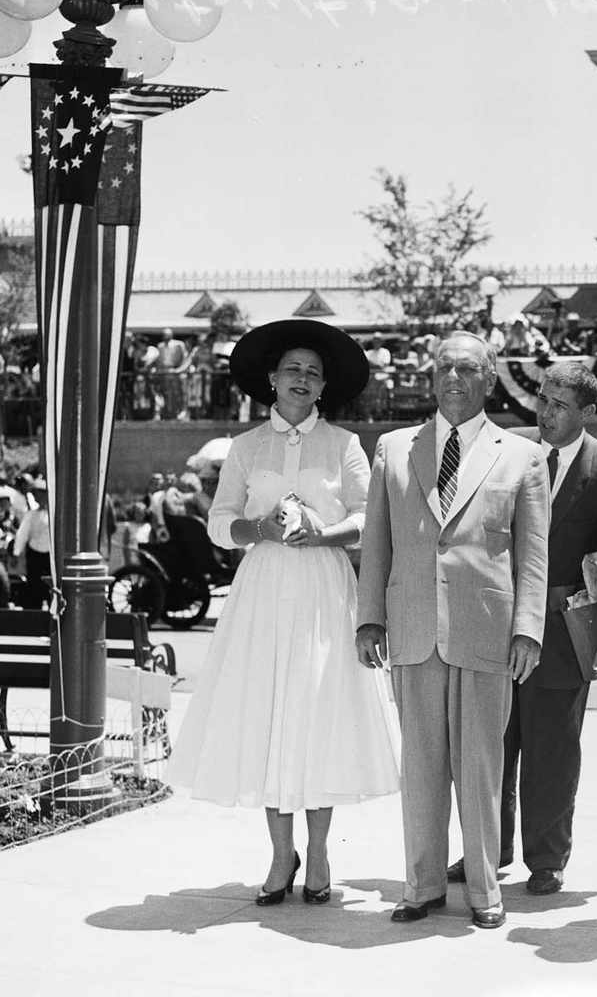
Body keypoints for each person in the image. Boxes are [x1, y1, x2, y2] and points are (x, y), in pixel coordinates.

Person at [167, 318, 400, 908]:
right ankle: (280, 853)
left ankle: (318, 852)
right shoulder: (247, 447)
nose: (302, 379)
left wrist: (325, 534)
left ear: (323, 386)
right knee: (271, 712)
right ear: (272, 378)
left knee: (317, 713)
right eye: (292, 369)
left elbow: (368, 517)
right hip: (264, 590)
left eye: (313, 373)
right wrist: (259, 529)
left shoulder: (344, 445)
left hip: (324, 588)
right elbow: (220, 521)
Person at [356, 330, 548, 931]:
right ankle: (423, 886)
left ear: (490, 378)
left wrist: (529, 629)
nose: (454, 378)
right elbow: (376, 541)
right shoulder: (393, 449)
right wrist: (369, 618)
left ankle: (485, 891)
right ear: (431, 377)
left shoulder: (523, 455)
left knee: (482, 768)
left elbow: (533, 556)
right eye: (444, 368)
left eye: (467, 368)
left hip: (487, 631)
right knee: (420, 768)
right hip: (412, 628)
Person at [446, 363, 597, 896]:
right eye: (543, 399)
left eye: (560, 405)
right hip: (494, 618)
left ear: (588, 413)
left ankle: (546, 859)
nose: (545, 412)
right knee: (489, 742)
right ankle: (487, 848)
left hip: (564, 627)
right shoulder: (507, 447)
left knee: (553, 749)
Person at [12, 478, 51, 588]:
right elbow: (22, 534)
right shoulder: (31, 515)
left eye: (39, 494)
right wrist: (17, 552)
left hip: (50, 555)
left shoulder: (54, 514)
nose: (36, 496)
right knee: (34, 584)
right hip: (34, 553)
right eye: (35, 494)